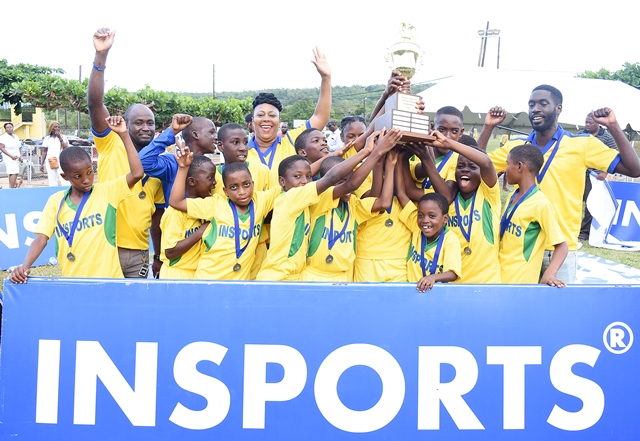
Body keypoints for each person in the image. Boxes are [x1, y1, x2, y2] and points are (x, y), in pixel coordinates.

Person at [478, 84, 640, 283]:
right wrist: (487, 128)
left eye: (543, 103)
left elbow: (634, 169)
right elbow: (476, 165)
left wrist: (613, 126)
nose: (535, 109)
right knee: (517, 310)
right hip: (519, 247)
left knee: (556, 312)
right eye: (531, 104)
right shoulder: (517, 148)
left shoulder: (581, 144)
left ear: (559, 108)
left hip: (559, 249)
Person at [9, 116, 143, 283]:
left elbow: (137, 173)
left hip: (110, 281)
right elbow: (41, 238)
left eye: (89, 172)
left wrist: (123, 134)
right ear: (65, 177)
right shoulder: (56, 201)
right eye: (78, 176)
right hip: (73, 283)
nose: (86, 180)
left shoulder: (108, 191)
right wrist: (25, 265)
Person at [88, 27, 166, 278]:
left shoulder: (160, 163)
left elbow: (157, 218)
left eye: (150, 123)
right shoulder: (111, 142)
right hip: (106, 244)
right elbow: (95, 103)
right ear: (126, 123)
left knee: (136, 310)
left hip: (140, 253)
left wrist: (157, 255)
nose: (146, 127)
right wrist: (101, 57)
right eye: (139, 122)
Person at [256, 134, 387, 281]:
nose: (305, 181)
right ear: (281, 181)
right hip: (277, 278)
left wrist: (331, 156)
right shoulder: (290, 198)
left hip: (296, 277)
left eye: (309, 176)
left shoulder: (306, 201)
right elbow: (341, 181)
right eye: (297, 177)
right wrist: (370, 152)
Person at [400, 131, 501, 283]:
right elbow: (410, 191)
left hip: (485, 281)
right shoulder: (445, 200)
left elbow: (486, 162)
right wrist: (402, 159)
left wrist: (449, 143)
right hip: (452, 281)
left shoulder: (488, 195)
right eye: (460, 166)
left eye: (472, 167)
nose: (465, 169)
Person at [301, 130, 401, 281]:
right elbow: (352, 184)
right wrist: (375, 151)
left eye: (348, 180)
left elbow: (384, 202)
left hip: (345, 276)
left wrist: (390, 165)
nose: (348, 187)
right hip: (316, 276)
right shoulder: (319, 200)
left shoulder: (352, 204)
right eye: (341, 183)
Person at [170, 153, 281, 280]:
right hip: (208, 279)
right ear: (225, 191)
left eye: (246, 184)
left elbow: (291, 182)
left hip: (239, 282)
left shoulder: (261, 200)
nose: (242, 191)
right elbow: (176, 202)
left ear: (253, 184)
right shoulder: (215, 204)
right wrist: (183, 168)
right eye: (234, 187)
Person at [247, 47, 332, 178]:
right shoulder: (242, 150)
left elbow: (320, 117)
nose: (266, 119)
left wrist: (326, 78)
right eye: (260, 115)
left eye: (272, 115)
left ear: (279, 121)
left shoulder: (292, 140)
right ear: (252, 121)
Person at [499, 144, 567, 286]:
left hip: (520, 283)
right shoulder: (512, 196)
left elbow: (562, 246)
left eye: (507, 164)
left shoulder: (541, 204)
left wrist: (550, 273)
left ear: (519, 166)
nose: (505, 170)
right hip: (499, 277)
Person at [215, 122, 277, 277]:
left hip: (258, 246)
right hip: (223, 251)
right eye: (235, 143)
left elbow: (275, 207)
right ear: (220, 146)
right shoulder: (212, 175)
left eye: (245, 142)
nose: (243, 147)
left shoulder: (261, 170)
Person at [395, 182, 462, 292]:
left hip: (435, 295)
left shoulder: (450, 240)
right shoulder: (417, 227)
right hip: (411, 291)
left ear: (445, 219)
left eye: (432, 216)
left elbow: (453, 273)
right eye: (420, 215)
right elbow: (401, 194)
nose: (425, 220)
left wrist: (432, 277)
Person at [159, 154, 214, 279]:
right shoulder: (174, 213)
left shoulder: (204, 207)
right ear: (192, 181)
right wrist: (200, 232)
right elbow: (170, 251)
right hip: (176, 274)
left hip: (198, 273)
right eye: (210, 178)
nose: (214, 182)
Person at [579, 113, 618, 240]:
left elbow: (615, 155)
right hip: (578, 174)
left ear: (598, 123)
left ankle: (585, 233)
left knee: (590, 205)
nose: (588, 125)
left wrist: (605, 172)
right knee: (575, 203)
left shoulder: (606, 137)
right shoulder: (580, 136)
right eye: (586, 122)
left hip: (595, 177)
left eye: (590, 122)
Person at [410, 106, 463, 191]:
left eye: (454, 131)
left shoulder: (459, 161)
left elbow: (446, 196)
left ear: (461, 132)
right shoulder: (417, 148)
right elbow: (421, 171)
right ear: (432, 127)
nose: (447, 136)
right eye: (442, 129)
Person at [41, 121, 70, 186]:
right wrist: (42, 164)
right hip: (51, 160)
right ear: (51, 128)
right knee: (52, 179)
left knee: (64, 178)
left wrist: (60, 137)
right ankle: (53, 193)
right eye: (55, 127)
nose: (57, 128)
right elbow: (45, 151)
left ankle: (67, 191)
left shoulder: (63, 137)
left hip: (61, 160)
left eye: (58, 127)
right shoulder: (47, 138)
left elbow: (66, 147)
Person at [0, 123, 22, 188]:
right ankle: (12, 188)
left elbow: (19, 147)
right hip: (9, 156)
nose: (9, 128)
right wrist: (10, 156)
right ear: (5, 129)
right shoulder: (3, 137)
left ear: (13, 128)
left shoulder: (16, 136)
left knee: (13, 172)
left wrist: (20, 156)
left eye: (10, 127)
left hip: (16, 156)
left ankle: (12, 186)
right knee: (13, 172)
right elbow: (1, 147)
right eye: (8, 127)